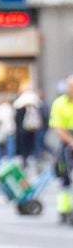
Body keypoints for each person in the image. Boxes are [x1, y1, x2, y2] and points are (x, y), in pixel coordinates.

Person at [50, 75, 73, 224]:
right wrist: (70, 141)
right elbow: (58, 127)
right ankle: (64, 210)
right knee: (65, 177)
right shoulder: (59, 103)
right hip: (67, 143)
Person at [17, 83, 45, 163]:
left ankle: (26, 159)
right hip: (33, 127)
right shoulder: (35, 99)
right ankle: (33, 158)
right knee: (32, 143)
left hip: (24, 127)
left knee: (24, 145)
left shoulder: (21, 101)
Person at [0, 93, 17, 162]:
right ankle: (10, 159)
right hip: (10, 127)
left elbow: (0, 118)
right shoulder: (9, 107)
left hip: (4, 128)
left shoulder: (2, 107)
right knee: (10, 144)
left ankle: (2, 159)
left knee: (5, 145)